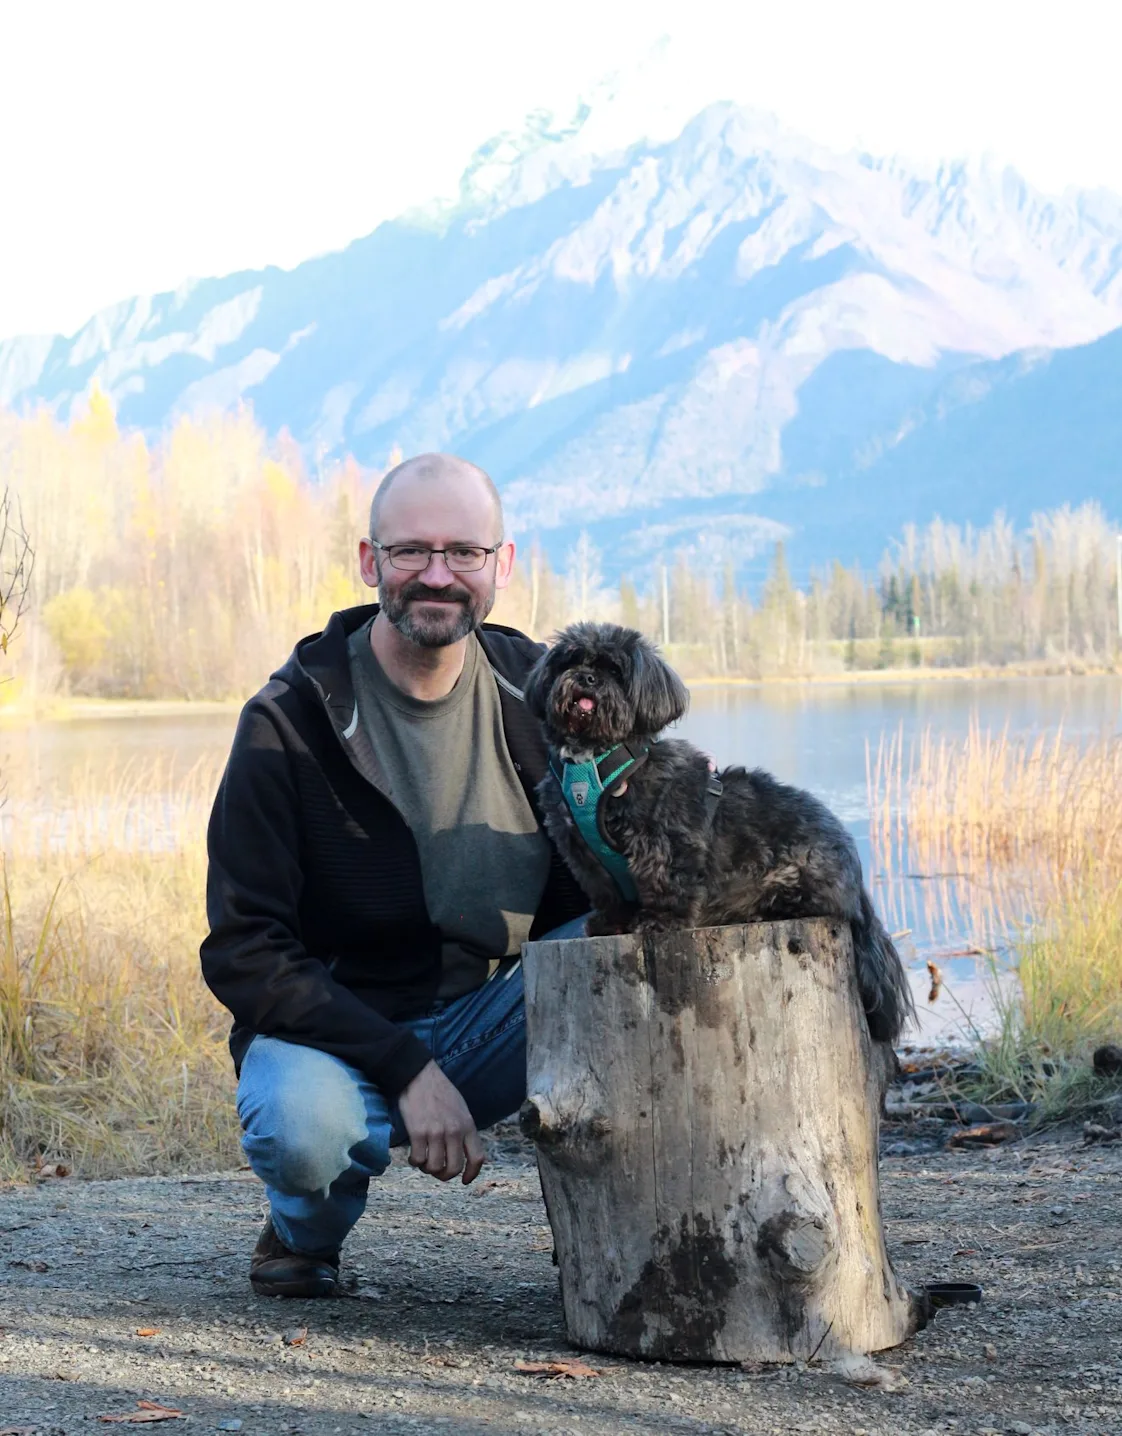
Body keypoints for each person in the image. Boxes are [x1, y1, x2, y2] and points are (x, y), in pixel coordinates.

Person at [200, 453, 586, 1298]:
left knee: (641, 953)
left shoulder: (546, 699)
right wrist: (406, 1067)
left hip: (491, 1026)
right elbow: (243, 948)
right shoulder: (287, 723)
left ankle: (622, 1242)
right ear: (370, 562)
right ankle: (301, 1230)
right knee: (305, 1132)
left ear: (503, 566)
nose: (437, 576)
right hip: (335, 1039)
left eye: (464, 553)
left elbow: (599, 894)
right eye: (411, 552)